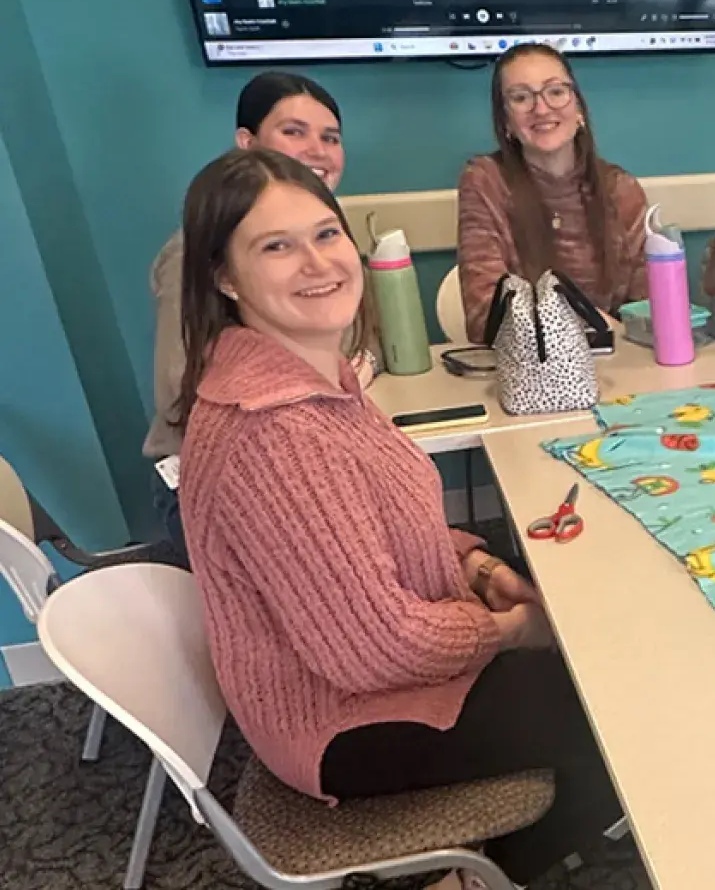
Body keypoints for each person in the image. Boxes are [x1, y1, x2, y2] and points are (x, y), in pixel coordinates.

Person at [175, 149, 624, 890]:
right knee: (622, 705)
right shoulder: (273, 431)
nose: (316, 262)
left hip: (385, 661)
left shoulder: (316, 375)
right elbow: (373, 649)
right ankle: (472, 878)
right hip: (343, 717)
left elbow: (384, 525)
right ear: (225, 277)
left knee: (590, 626)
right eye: (276, 247)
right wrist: (511, 632)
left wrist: (477, 567)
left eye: (325, 235)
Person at [145, 71, 354, 556]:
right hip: (214, 480)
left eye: (330, 137)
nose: (317, 150)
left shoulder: (327, 254)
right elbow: (184, 394)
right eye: (294, 131)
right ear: (247, 142)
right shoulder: (195, 256)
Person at [456, 44, 651, 343]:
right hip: (531, 374)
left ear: (579, 108)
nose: (542, 108)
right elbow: (485, 317)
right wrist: (591, 321)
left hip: (619, 366)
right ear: (506, 121)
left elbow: (650, 312)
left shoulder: (620, 188)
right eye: (521, 97)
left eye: (556, 91)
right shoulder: (485, 181)